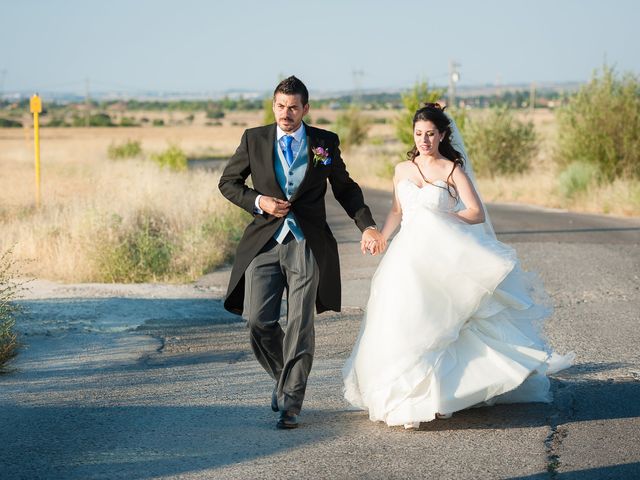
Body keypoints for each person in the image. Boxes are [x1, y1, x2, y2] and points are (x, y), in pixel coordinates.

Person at [343, 103, 574, 429]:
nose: (424, 140)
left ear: (442, 135)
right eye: (419, 134)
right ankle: (409, 394)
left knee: (442, 321)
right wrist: (381, 236)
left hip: (443, 255)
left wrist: (444, 218)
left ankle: (442, 395)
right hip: (406, 258)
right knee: (405, 317)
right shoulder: (401, 170)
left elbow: (476, 213)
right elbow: (397, 210)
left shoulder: (451, 170)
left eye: (430, 134)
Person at [219, 76, 385, 429]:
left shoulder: (324, 143)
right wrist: (259, 201)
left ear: (305, 109)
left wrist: (367, 224)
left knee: (300, 323)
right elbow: (228, 183)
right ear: (273, 105)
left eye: (293, 107)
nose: (286, 113)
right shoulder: (254, 139)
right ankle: (285, 380)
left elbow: (345, 188)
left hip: (307, 243)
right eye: (280, 106)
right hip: (265, 242)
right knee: (258, 322)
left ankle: (292, 402)